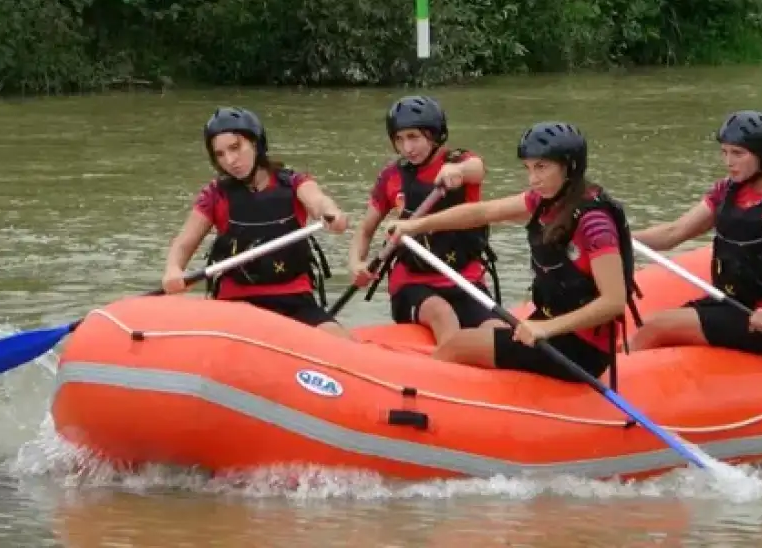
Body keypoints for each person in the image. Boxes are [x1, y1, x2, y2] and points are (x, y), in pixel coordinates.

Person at [390, 121, 641, 383]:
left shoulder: (594, 223)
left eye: (541, 167)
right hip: (554, 325)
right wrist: (415, 225)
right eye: (528, 168)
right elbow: (483, 212)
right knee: (475, 340)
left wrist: (546, 328)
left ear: (569, 166)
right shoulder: (546, 199)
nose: (533, 179)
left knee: (456, 346)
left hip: (582, 348)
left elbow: (613, 302)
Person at [631, 110, 762, 356]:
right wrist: (618, 237)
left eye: (738, 153)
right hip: (726, 304)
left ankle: (607, 385)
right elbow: (674, 233)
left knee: (653, 326)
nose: (728, 161)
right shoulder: (727, 190)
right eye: (724, 152)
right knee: (651, 330)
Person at [162, 107, 353, 339]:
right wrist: (173, 269)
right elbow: (184, 243)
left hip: (293, 300)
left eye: (235, 147)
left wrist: (332, 214)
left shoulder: (293, 183)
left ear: (255, 143)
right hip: (236, 302)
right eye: (220, 154)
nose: (230, 161)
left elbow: (317, 201)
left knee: (340, 340)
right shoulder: (215, 194)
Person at [348, 95, 502, 347]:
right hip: (412, 282)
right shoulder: (391, 177)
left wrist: (458, 172)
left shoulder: (460, 162)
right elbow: (365, 230)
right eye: (399, 139)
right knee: (443, 315)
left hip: (465, 279)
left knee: (497, 331)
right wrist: (356, 263)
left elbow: (477, 168)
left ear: (434, 135)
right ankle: (450, 372)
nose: (407, 148)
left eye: (414, 137)